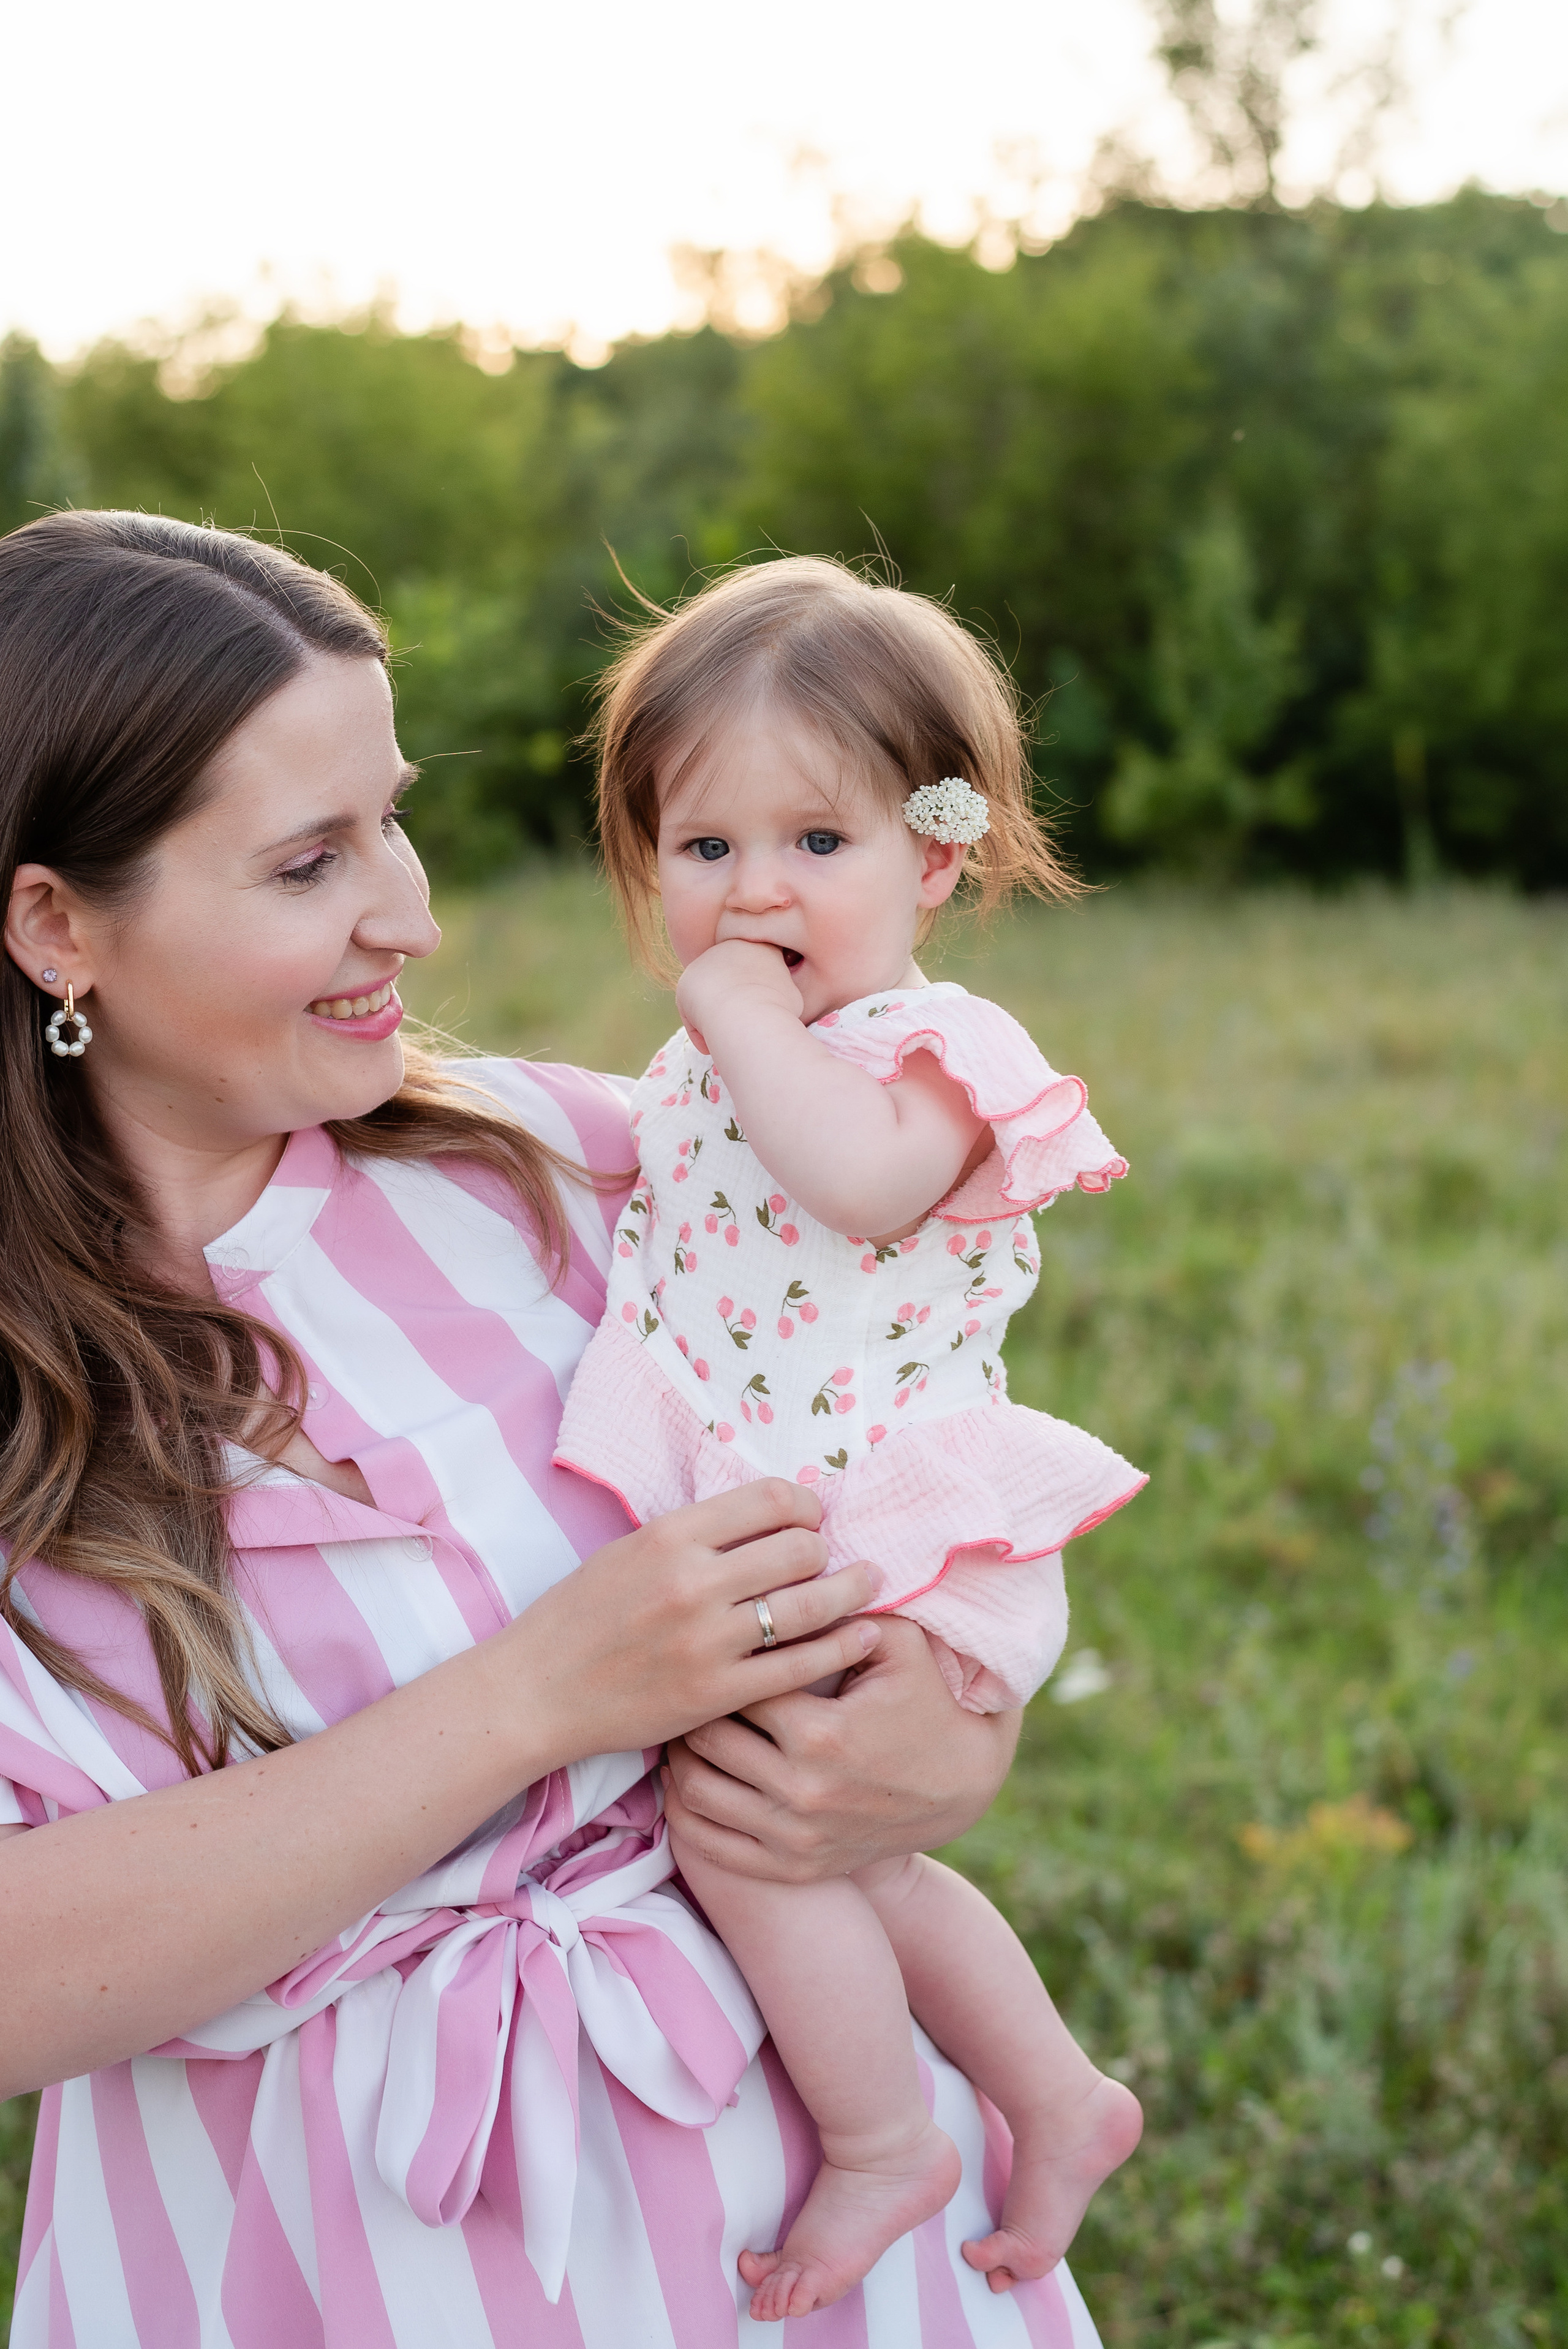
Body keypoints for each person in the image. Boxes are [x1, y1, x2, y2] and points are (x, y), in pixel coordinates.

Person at [0, 510, 1106, 2347]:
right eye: (307, 864)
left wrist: (933, 1744)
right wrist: (540, 1696)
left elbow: (889, 1433)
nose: (411, 916)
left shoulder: (585, 1166)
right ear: (57, 923)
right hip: (313, 2263)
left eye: (393, 821)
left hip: (804, 2238)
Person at [555, 558, 1147, 2321]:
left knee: (749, 1829)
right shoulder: (710, 1070)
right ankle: (1057, 2088)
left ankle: (887, 2137)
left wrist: (738, 1027)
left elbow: (860, 1181)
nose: (755, 895)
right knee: (855, 1855)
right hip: (775, 1509)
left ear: (934, 859)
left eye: (817, 843)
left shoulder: (936, 1051)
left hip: (877, 1521)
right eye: (705, 848)